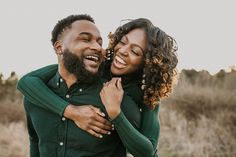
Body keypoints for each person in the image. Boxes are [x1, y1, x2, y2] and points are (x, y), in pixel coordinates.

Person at [18, 16, 178, 157]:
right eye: (122, 42)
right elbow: (26, 82)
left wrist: (115, 113)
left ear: (148, 63)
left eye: (135, 52)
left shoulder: (145, 94)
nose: (122, 51)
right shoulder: (96, 67)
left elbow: (148, 152)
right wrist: (72, 112)